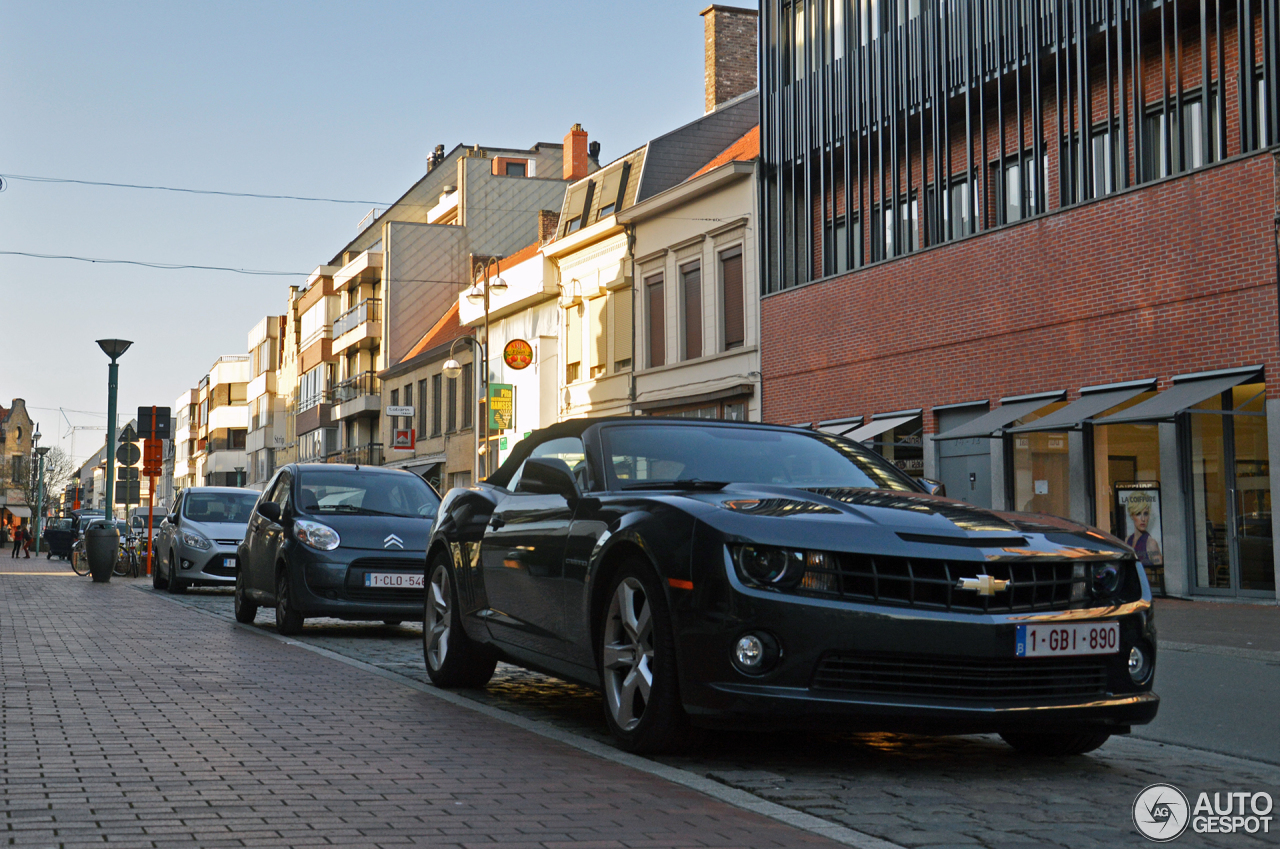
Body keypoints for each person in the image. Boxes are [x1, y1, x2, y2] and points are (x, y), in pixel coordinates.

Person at [1125, 500, 1163, 568]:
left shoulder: (1151, 543)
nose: (1143, 519)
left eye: (1145, 514)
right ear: (1131, 516)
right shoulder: (1127, 540)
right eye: (1138, 513)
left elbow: (1159, 572)